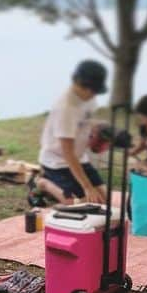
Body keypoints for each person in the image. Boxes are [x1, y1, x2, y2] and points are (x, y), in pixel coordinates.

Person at [33, 60, 110, 205]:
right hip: (56, 161)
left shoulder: (89, 98)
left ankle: (68, 187)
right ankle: (43, 182)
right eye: (92, 90)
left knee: (103, 201)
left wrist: (100, 132)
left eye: (96, 90)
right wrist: (87, 187)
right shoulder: (66, 108)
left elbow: (85, 123)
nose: (94, 94)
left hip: (79, 159)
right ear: (79, 83)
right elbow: (68, 153)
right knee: (77, 203)